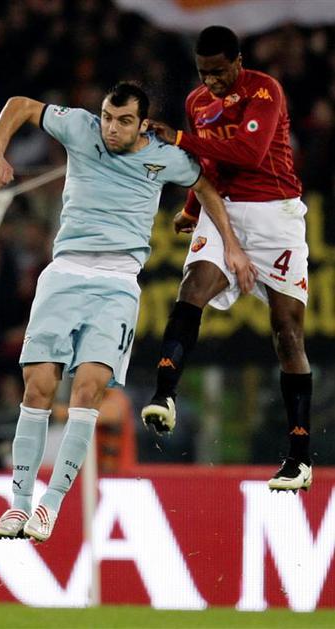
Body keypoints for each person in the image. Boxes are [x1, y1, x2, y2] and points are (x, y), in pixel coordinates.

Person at [0, 81, 255, 542]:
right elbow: (19, 104)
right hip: (64, 272)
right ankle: (19, 505)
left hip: (116, 284)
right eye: (108, 118)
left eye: (124, 121)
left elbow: (206, 185)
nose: (112, 128)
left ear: (143, 124)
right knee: (38, 386)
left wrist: (230, 243)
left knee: (88, 389)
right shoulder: (80, 127)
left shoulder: (165, 157)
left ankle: (50, 506)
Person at [141, 26, 313, 493]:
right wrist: (191, 208)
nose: (211, 81)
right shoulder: (197, 101)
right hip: (225, 211)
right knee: (192, 287)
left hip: (275, 215)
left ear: (238, 62)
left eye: (219, 72)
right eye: (203, 73)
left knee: (287, 333)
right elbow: (210, 166)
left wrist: (179, 137)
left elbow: (248, 153)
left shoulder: (264, 90)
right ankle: (165, 395)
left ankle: (299, 458)